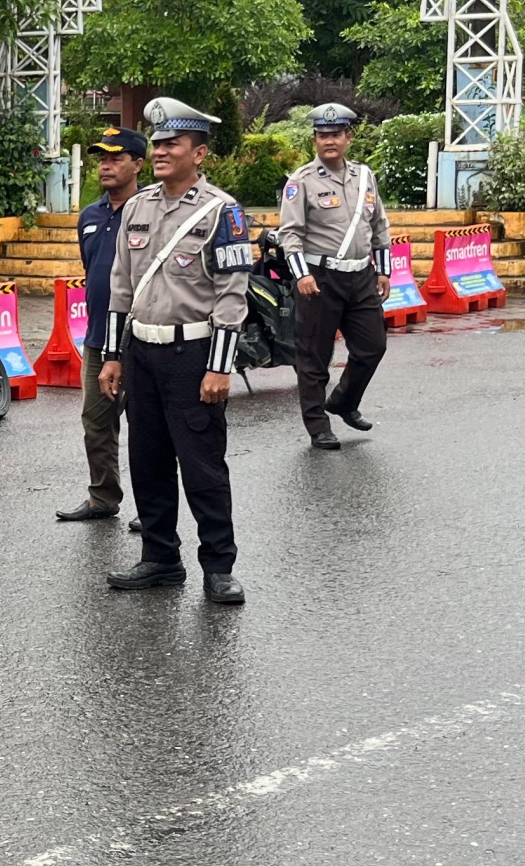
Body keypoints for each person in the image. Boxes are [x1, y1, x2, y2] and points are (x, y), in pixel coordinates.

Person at [97, 102, 255, 605]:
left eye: (172, 144)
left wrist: (220, 366)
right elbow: (120, 286)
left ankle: (219, 566)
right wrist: (112, 355)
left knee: (203, 466)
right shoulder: (138, 208)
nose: (161, 151)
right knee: (148, 461)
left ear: (199, 152)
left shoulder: (221, 211)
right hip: (141, 351)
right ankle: (161, 557)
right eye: (157, 143)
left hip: (194, 354)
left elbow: (233, 293)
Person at [276, 102, 392, 451]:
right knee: (314, 356)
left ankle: (343, 401)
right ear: (314, 140)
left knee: (373, 346)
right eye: (322, 135)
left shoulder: (364, 176)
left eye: (336, 135)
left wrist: (384, 270)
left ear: (348, 138)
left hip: (361, 276)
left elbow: (378, 224)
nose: (329, 141)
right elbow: (290, 233)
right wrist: (301, 275)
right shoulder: (301, 182)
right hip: (320, 277)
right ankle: (318, 426)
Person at [56, 127, 147, 525]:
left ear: (138, 164)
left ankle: (152, 509)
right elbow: (91, 271)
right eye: (101, 159)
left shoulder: (149, 212)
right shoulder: (89, 216)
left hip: (142, 338)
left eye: (116, 158)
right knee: (97, 424)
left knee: (148, 429)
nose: (106, 166)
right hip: (97, 339)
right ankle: (103, 497)